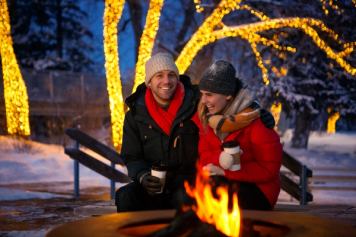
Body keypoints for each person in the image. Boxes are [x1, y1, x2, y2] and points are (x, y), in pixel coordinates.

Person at [192, 60, 282, 210]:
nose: (203, 100)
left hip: (259, 190)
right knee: (196, 200)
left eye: (209, 95)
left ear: (228, 95)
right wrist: (220, 159)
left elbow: (269, 169)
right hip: (222, 183)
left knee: (214, 199)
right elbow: (204, 155)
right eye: (202, 94)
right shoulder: (207, 118)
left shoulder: (255, 120)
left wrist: (228, 171)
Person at [115, 52, 200, 212]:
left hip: (189, 183)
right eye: (159, 76)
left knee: (184, 198)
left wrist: (259, 113)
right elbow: (132, 156)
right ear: (149, 82)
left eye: (171, 75)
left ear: (177, 78)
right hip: (153, 184)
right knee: (125, 196)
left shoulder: (196, 104)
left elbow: (225, 102)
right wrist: (143, 176)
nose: (166, 81)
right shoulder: (135, 115)